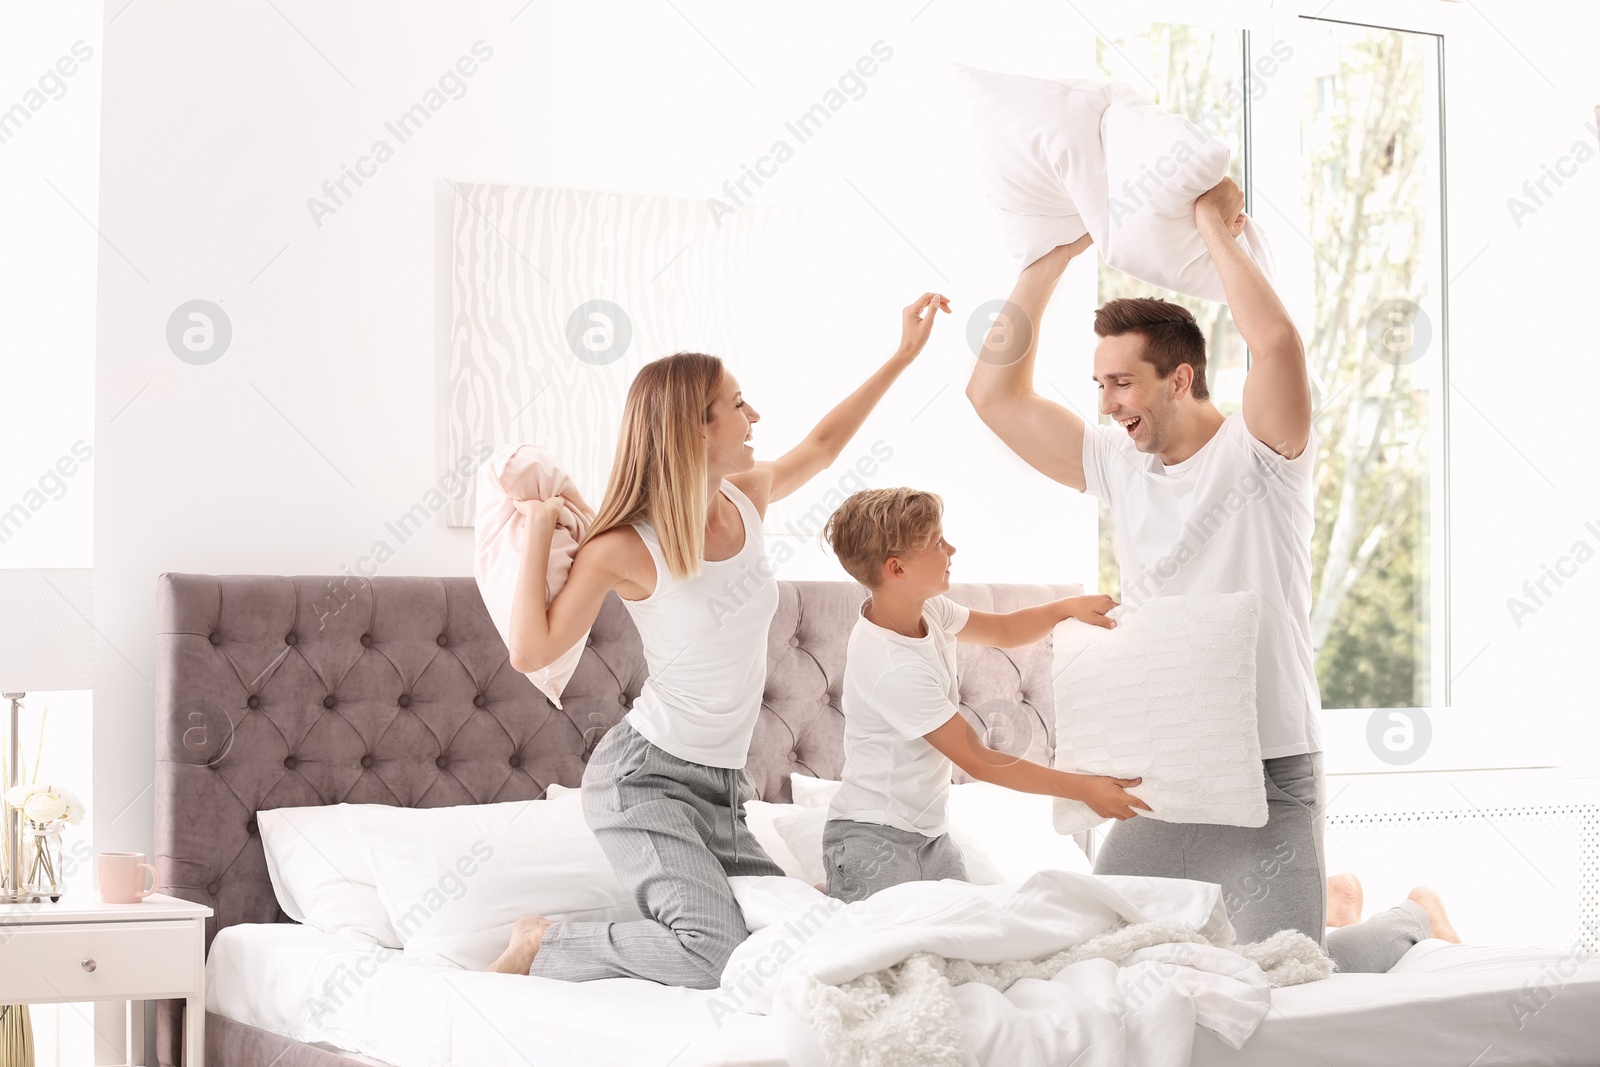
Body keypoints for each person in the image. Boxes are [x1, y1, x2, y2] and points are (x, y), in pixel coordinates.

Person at [964, 176, 1430, 972]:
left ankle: (1411, 919)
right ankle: (1342, 905)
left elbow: (1278, 346)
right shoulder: (1117, 461)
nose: (1108, 404)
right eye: (1100, 385)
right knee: (1106, 958)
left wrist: (1216, 227)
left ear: (1180, 378)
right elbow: (992, 394)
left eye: (1122, 382)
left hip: (1271, 767)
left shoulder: (1262, 455)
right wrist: (1050, 260)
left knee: (1283, 972)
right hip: (1170, 768)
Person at [487, 293, 951, 987]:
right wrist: (541, 526)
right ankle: (544, 941)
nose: (754, 416)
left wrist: (903, 355)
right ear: (695, 428)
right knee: (716, 955)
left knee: (809, 940)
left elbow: (822, 448)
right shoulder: (625, 545)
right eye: (739, 404)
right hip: (643, 782)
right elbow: (530, 650)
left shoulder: (744, 499)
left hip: (722, 789)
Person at [816, 486, 1150, 903]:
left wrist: (1064, 608)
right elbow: (980, 758)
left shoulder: (926, 611)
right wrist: (1082, 787)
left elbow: (1004, 631)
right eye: (938, 542)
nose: (951, 549)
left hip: (928, 836)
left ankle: (835, 889)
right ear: (897, 569)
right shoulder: (892, 665)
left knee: (975, 937)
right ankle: (836, 886)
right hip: (874, 839)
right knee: (906, 952)